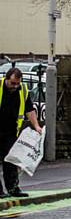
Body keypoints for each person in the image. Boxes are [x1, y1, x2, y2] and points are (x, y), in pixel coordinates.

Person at [0, 68, 42, 198]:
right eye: (12, 83)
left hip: (11, 131)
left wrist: (36, 126)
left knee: (11, 160)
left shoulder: (22, 90)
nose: (15, 86)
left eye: (17, 83)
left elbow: (29, 110)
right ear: (6, 79)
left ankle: (13, 189)